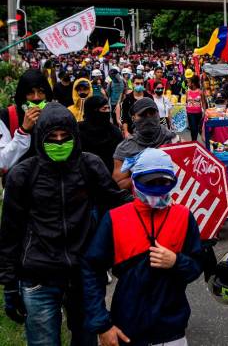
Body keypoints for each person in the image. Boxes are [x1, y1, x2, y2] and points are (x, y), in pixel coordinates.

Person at [0, 102, 130, 346]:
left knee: (86, 340)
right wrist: (9, 284)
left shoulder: (89, 166)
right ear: (40, 138)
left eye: (65, 136)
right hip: (39, 277)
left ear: (74, 137)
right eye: (52, 137)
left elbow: (116, 202)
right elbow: (10, 231)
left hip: (84, 275)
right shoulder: (23, 175)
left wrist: (150, 195)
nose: (59, 142)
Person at [82, 148, 204, 346]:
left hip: (172, 330)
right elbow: (91, 269)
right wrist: (102, 325)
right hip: (126, 329)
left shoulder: (183, 216)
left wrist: (176, 261)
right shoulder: (115, 218)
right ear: (136, 181)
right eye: (150, 182)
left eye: (163, 182)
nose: (157, 188)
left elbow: (196, 267)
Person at [113, 97, 179, 190]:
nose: (148, 118)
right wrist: (144, 175)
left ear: (158, 114)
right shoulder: (125, 149)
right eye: (142, 115)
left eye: (152, 113)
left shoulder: (173, 140)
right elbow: (119, 184)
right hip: (142, 200)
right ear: (133, 118)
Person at [0, 69, 49, 169]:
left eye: (41, 92)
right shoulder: (7, 116)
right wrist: (23, 130)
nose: (36, 98)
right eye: (30, 93)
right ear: (22, 95)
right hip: (18, 181)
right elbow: (2, 162)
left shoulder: (54, 114)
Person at [79, 96, 123, 174]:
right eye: (104, 109)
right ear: (93, 111)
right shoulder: (79, 131)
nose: (107, 111)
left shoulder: (114, 131)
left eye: (108, 108)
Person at [185, 75, 205, 141]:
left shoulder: (200, 92)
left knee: (198, 128)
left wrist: (204, 113)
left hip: (198, 113)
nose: (188, 84)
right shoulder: (187, 92)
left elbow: (203, 103)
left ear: (193, 83)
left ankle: (202, 140)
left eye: (189, 82)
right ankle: (194, 141)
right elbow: (186, 102)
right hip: (190, 113)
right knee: (193, 128)